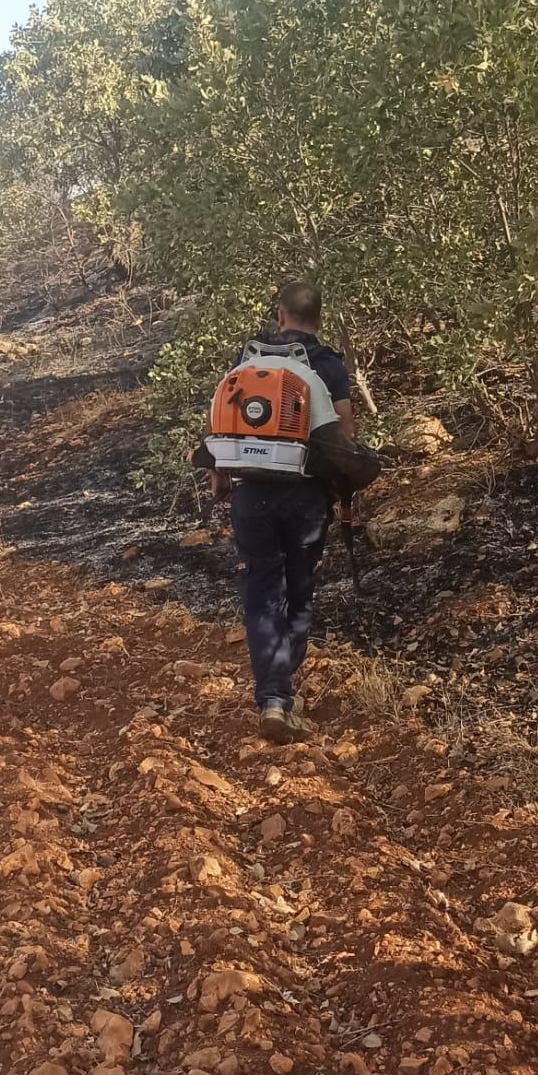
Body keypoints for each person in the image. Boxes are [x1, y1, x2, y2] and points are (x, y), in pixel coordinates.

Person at [211, 280, 354, 743]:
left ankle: (275, 696)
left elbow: (222, 426)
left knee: (262, 594)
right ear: (319, 318)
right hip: (306, 498)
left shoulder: (247, 361)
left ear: (279, 315)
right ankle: (280, 690)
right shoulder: (326, 365)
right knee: (299, 590)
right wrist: (347, 488)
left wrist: (219, 477)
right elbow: (344, 437)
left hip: (251, 495)